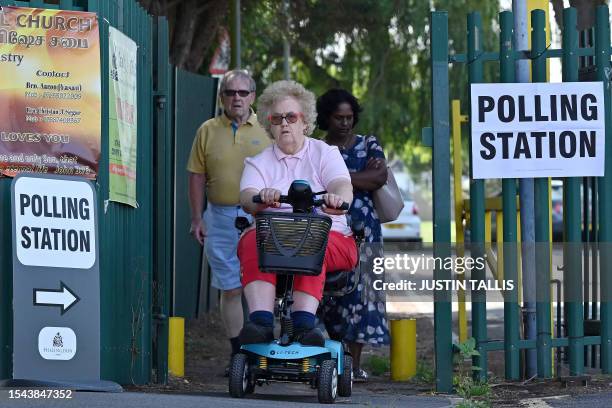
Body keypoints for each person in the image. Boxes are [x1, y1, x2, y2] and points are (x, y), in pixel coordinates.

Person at [237, 80, 358, 347]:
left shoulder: (325, 153)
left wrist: (337, 198)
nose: (284, 123)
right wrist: (260, 198)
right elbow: (247, 197)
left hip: (329, 236)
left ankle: (304, 324)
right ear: (269, 125)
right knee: (249, 239)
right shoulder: (259, 163)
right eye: (277, 118)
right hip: (275, 239)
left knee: (310, 241)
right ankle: (261, 323)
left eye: (291, 116)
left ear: (305, 121)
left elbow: (342, 184)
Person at [187, 70, 270, 369]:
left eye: (243, 93)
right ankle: (239, 355)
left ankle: (264, 352)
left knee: (264, 284)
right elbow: (196, 175)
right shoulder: (207, 130)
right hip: (220, 218)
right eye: (230, 92)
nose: (237, 98)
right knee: (230, 287)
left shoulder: (267, 129)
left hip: (261, 218)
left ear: (253, 97)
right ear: (222, 96)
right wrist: (197, 218)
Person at [316, 88, 390, 381]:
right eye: (338, 118)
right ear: (326, 118)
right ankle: (329, 357)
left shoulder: (368, 143)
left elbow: (379, 177)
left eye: (349, 117)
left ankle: (353, 364)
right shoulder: (317, 148)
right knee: (328, 291)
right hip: (329, 225)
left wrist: (337, 180)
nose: (345, 123)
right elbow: (315, 183)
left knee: (362, 293)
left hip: (365, 229)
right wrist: (358, 179)